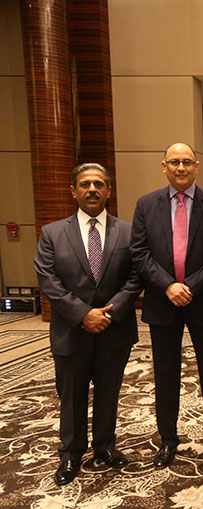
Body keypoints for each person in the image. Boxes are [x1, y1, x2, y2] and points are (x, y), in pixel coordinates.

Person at [34, 163, 141, 485]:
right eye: (85, 184)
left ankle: (105, 446)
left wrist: (108, 313)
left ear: (108, 190)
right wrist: (83, 314)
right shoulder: (52, 233)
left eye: (98, 184)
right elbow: (48, 279)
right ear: (73, 191)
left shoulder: (128, 231)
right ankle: (70, 454)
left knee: (109, 393)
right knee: (71, 396)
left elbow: (136, 276)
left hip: (114, 329)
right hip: (71, 331)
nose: (92, 189)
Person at [130, 142, 203, 468]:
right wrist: (168, 286)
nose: (181, 167)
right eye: (174, 162)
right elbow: (139, 253)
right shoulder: (146, 204)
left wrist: (190, 287)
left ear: (196, 166)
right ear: (164, 166)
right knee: (165, 373)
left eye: (187, 161)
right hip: (162, 301)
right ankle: (167, 439)